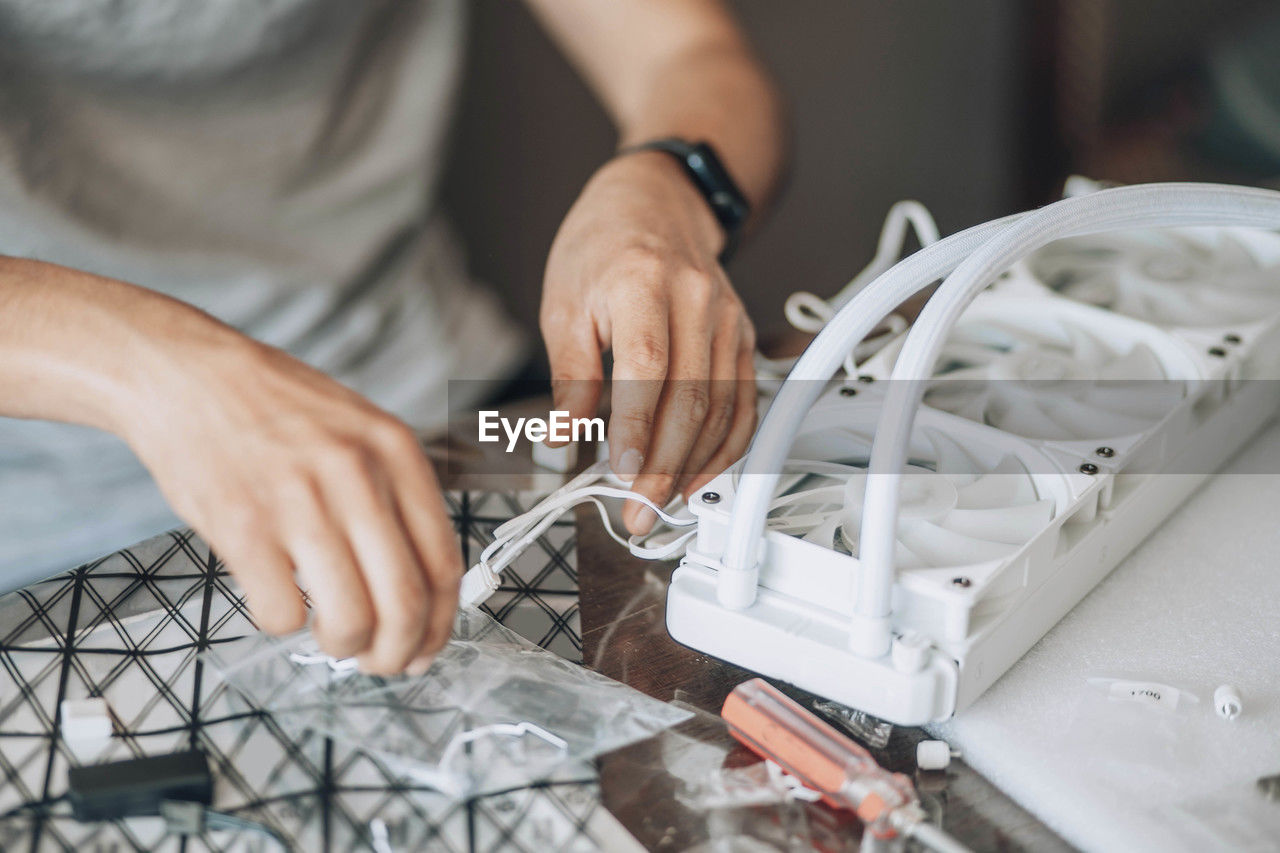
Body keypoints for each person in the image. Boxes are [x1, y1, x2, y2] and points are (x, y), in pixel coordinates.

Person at [0, 0, 784, 674]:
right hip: (38, 526)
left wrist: (668, 184)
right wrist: (153, 367)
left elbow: (688, 52)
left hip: (447, 414)